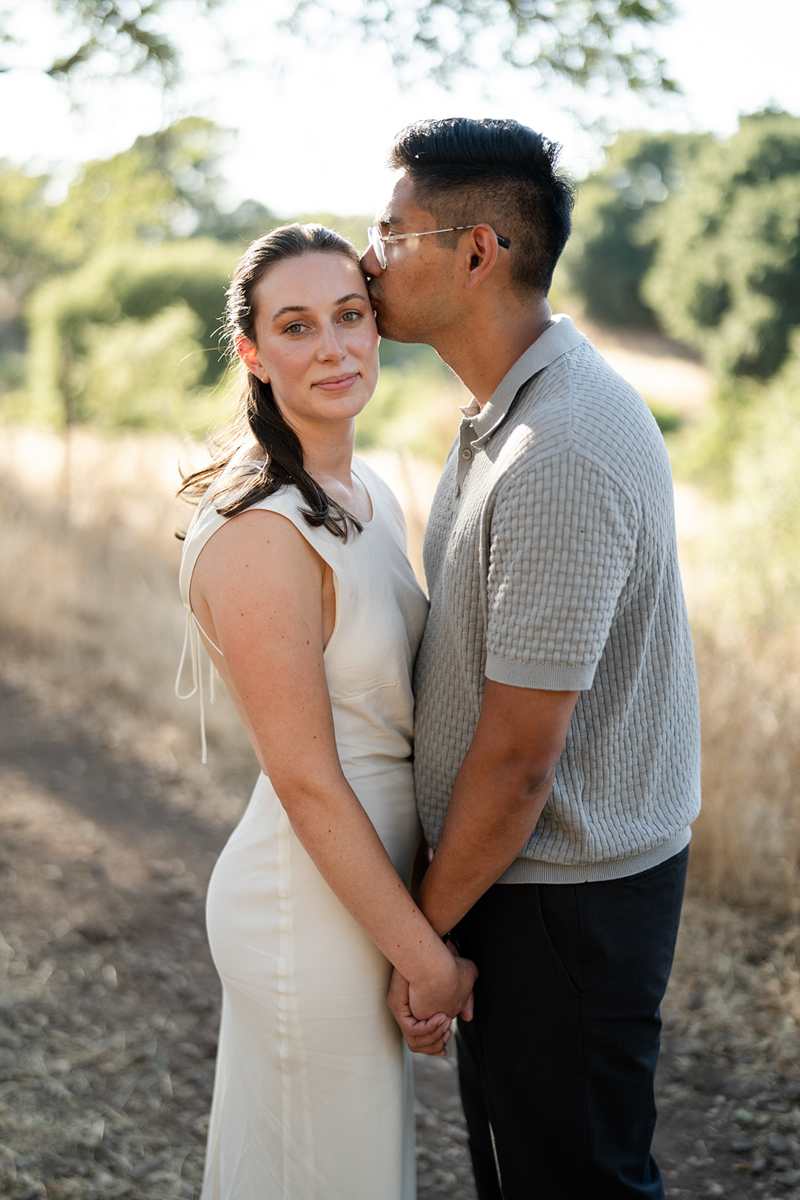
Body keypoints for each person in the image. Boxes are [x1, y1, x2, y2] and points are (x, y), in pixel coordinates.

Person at [361, 118, 702, 1200]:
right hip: (522, 883)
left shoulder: (559, 447)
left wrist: (421, 937)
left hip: (565, 906)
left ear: (475, 252)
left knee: (575, 1182)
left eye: (392, 231)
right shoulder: (503, 417)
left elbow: (518, 759)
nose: (371, 257)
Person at [176, 223, 477, 1200]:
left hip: (370, 903)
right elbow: (307, 781)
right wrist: (422, 957)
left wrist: (413, 929)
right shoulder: (261, 530)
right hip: (305, 909)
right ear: (253, 355)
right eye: (297, 327)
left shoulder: (367, 490)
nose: (335, 347)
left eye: (350, 316)